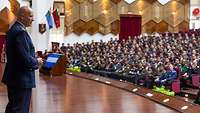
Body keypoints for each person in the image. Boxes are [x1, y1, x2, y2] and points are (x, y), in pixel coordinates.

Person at [1, 6, 43, 113]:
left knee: (13, 108)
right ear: (22, 16)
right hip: (21, 79)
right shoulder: (20, 32)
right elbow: (25, 59)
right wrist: (37, 61)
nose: (33, 19)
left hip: (15, 78)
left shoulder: (13, 29)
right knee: (20, 109)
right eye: (30, 16)